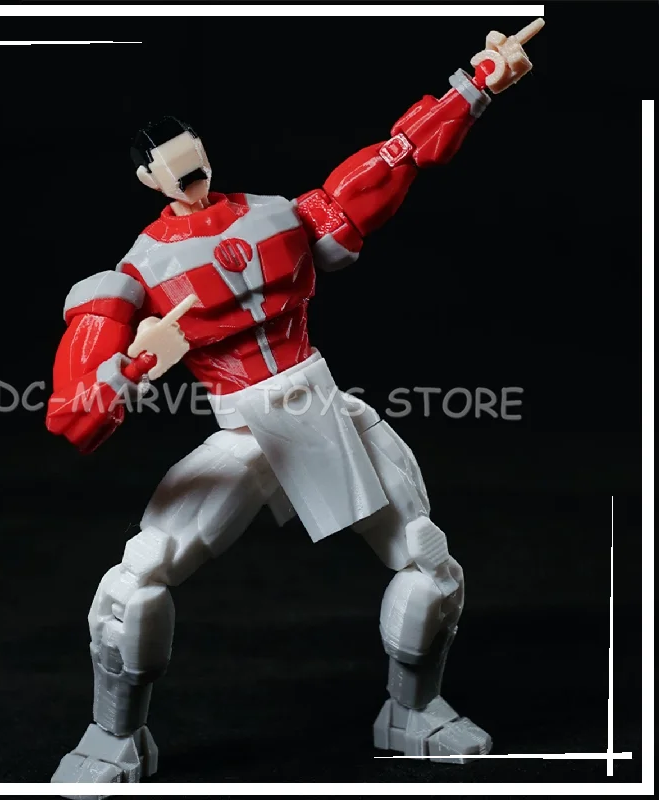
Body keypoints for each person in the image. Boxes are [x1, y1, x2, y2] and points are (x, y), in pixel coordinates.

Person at [46, 20, 543, 786]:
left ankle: (411, 714)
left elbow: (394, 160)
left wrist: (476, 85)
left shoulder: (276, 215)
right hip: (243, 430)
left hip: (320, 405)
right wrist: (141, 361)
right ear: (148, 178)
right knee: (133, 583)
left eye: (195, 163)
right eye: (173, 172)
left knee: (428, 560)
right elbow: (75, 416)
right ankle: (114, 741)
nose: (191, 180)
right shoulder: (132, 276)